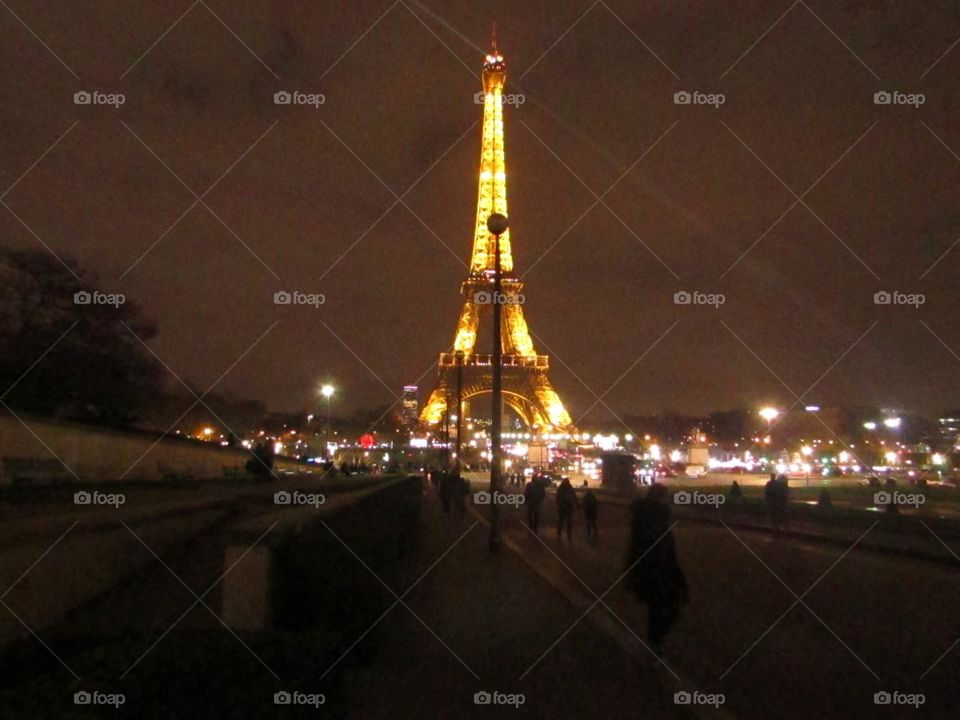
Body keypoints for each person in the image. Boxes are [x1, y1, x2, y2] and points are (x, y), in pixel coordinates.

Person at [626, 483, 688, 655]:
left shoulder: (643, 519)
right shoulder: (657, 521)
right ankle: (655, 639)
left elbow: (635, 548)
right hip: (658, 569)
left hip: (653, 568)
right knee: (664, 607)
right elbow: (667, 550)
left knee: (659, 607)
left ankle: (655, 639)